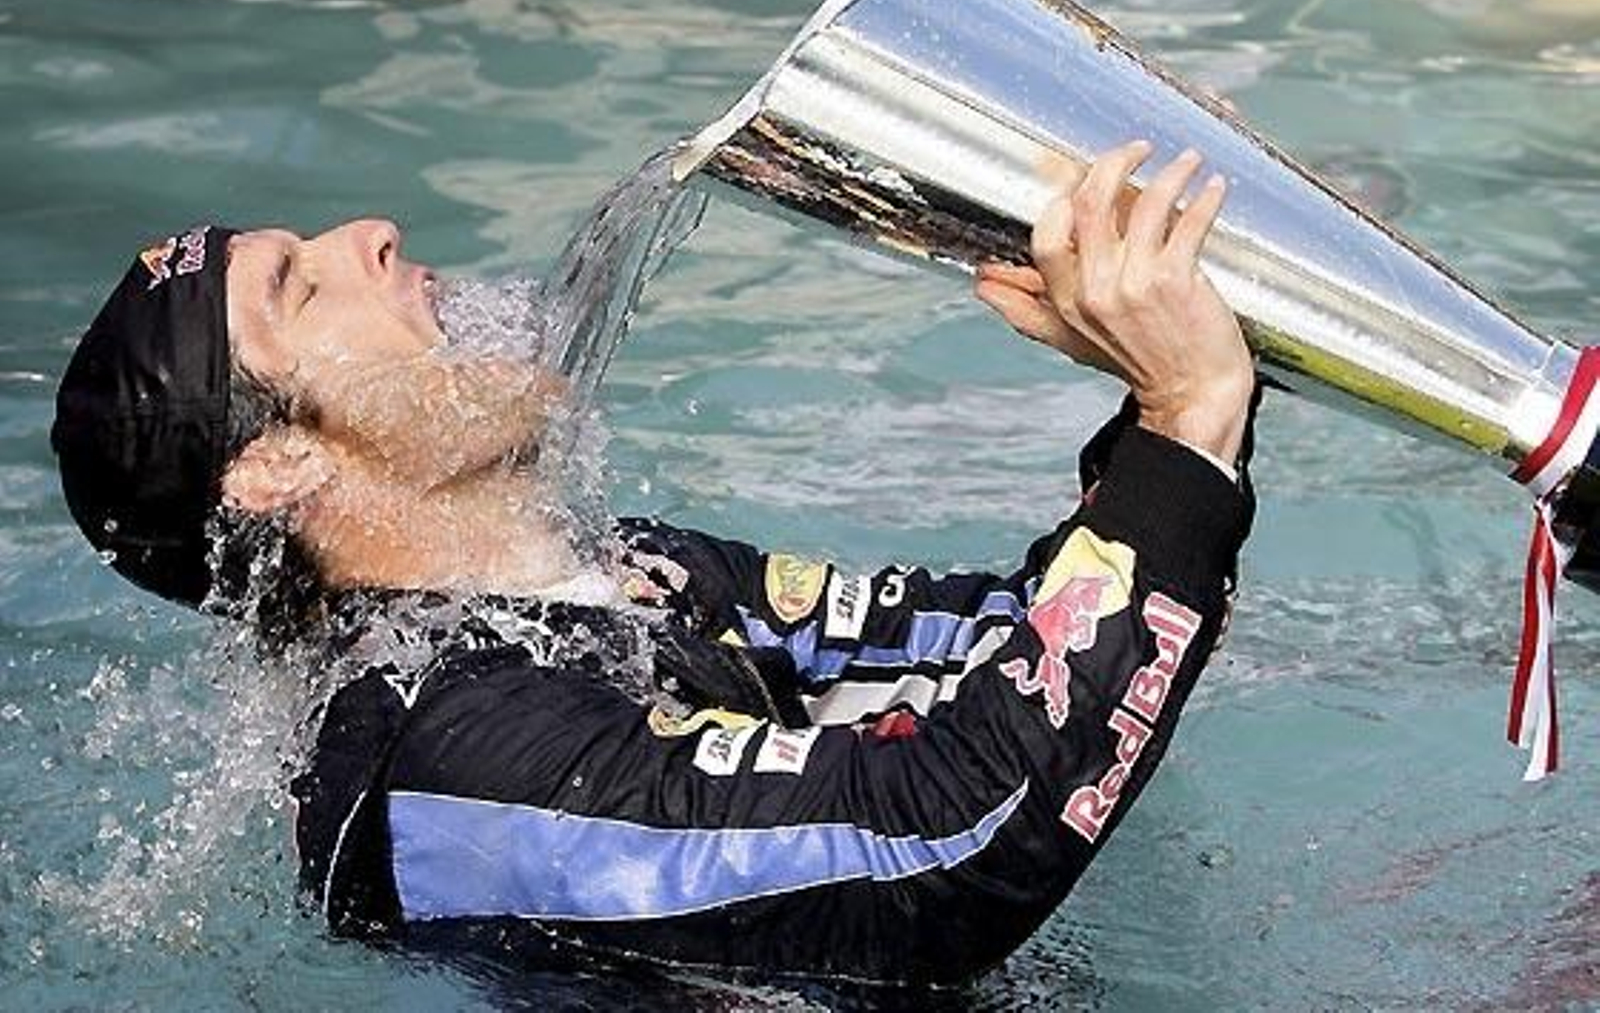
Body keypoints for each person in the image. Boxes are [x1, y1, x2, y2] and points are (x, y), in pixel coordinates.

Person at [51, 141, 1258, 985]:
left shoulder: (618, 574)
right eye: (298, 286)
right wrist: (1184, 410)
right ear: (275, 468)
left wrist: (1156, 388)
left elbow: (1011, 641)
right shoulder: (432, 757)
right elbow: (940, 849)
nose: (371, 233)